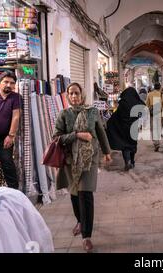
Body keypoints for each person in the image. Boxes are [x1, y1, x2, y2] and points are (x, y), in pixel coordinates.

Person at [53, 82, 112, 252]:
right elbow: (56, 138)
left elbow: (100, 132)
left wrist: (107, 152)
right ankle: (80, 221)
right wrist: (77, 135)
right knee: (74, 194)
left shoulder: (92, 111)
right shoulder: (64, 114)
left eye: (77, 93)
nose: (74, 96)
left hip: (89, 160)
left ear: (82, 95)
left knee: (85, 194)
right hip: (71, 160)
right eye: (70, 93)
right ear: (67, 95)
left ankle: (86, 236)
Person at [0, 70, 22, 189]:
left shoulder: (16, 97)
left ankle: (15, 193)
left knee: (7, 164)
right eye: (6, 82)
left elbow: (16, 116)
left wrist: (11, 136)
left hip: (5, 138)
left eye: (12, 83)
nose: (9, 85)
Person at [106, 87, 145, 171]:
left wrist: (109, 123)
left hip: (123, 128)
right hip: (134, 128)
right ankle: (132, 162)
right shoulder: (138, 103)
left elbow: (116, 116)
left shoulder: (123, 103)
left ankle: (127, 162)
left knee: (125, 145)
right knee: (132, 144)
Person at [145, 82, 163, 152]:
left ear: (154, 87)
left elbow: (147, 105)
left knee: (153, 129)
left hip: (152, 114)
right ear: (160, 87)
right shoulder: (161, 94)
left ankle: (156, 143)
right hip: (160, 114)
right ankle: (157, 141)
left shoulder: (149, 94)